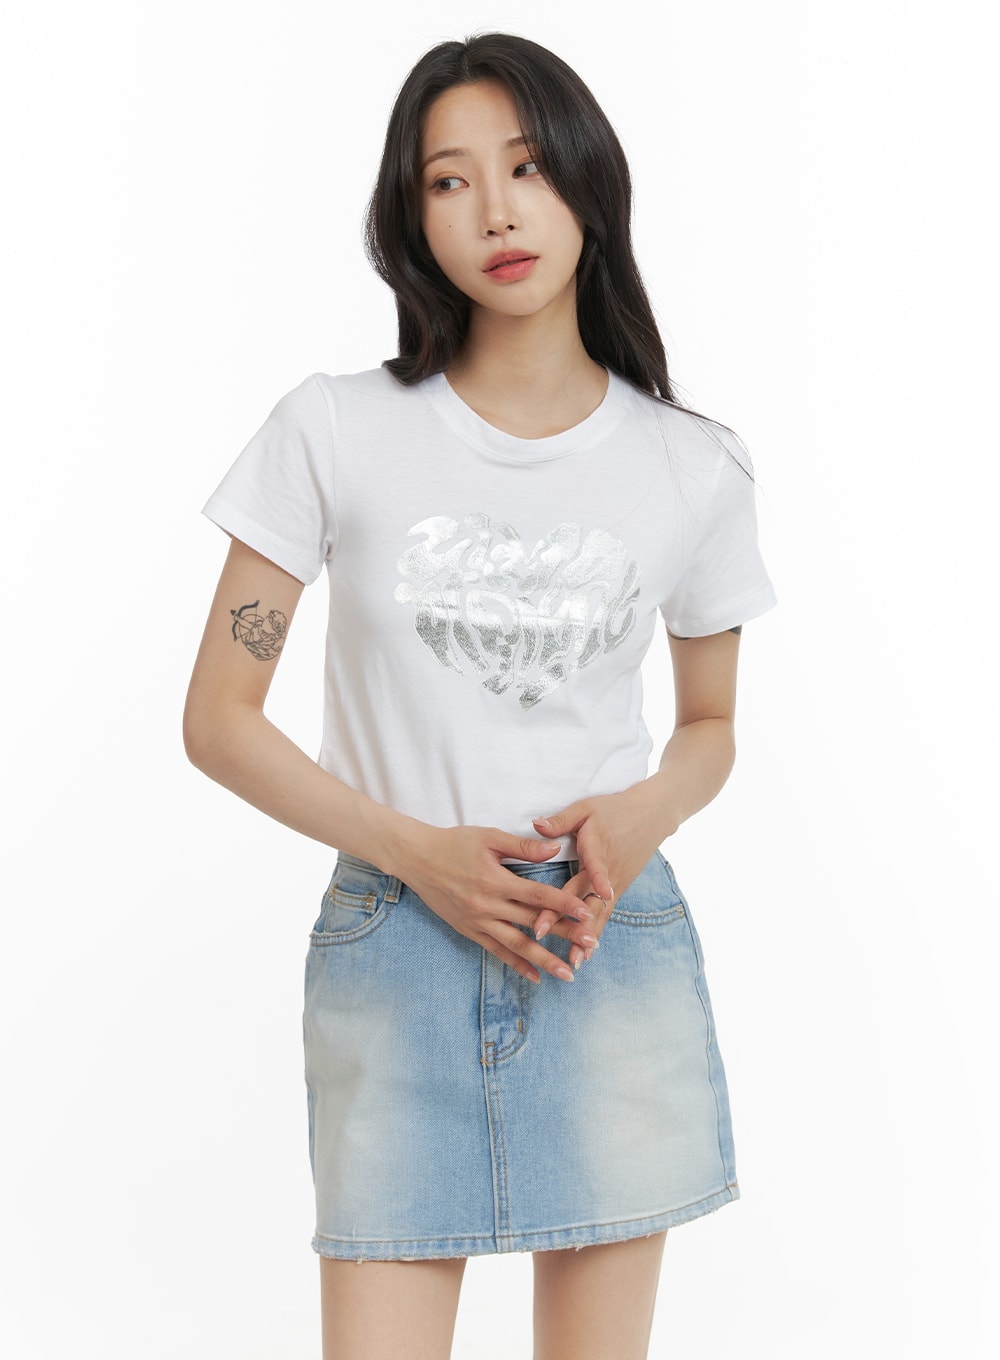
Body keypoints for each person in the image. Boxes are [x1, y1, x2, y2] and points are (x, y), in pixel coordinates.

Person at [184, 31, 776, 1360]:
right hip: (396, 938)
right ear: (411, 222)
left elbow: (712, 725)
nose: (496, 211)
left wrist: (637, 818)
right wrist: (418, 856)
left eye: (525, 167)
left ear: (586, 179)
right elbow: (217, 718)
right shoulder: (333, 429)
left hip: (601, 935)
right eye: (448, 181)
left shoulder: (695, 467)